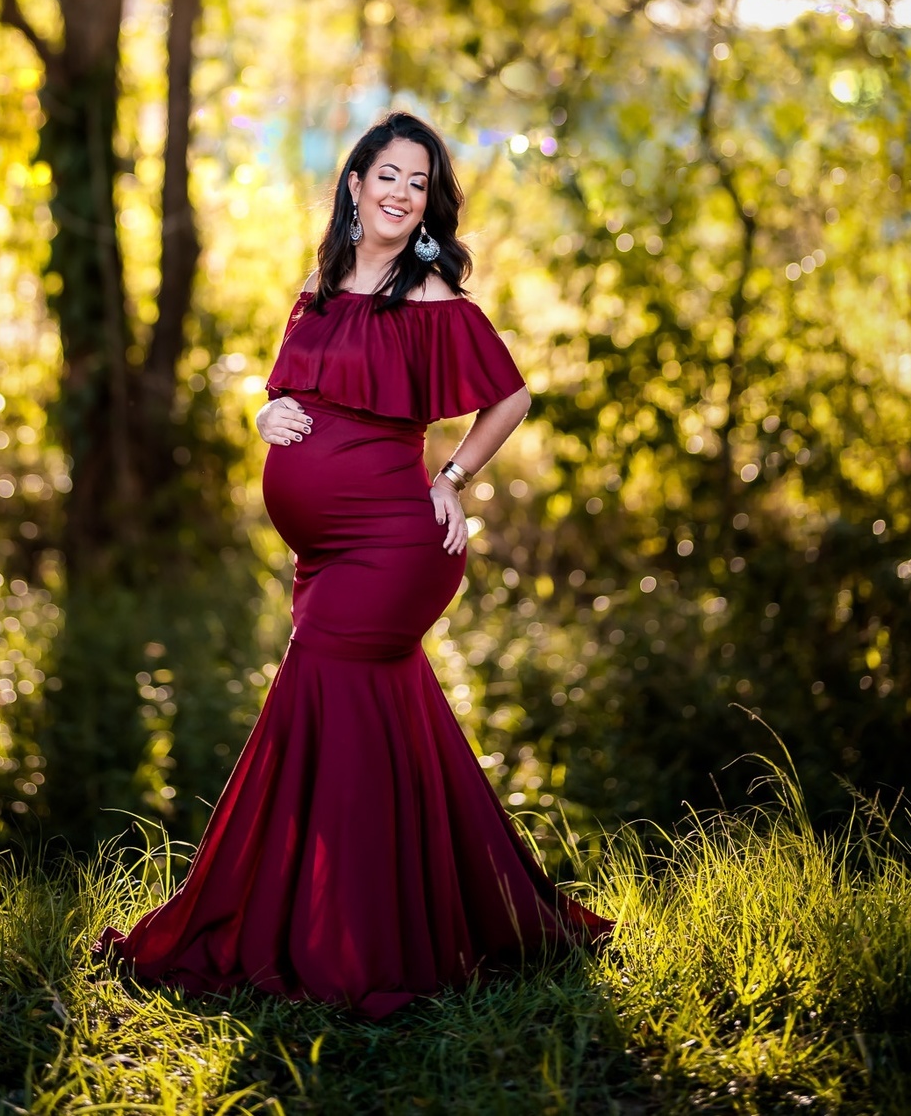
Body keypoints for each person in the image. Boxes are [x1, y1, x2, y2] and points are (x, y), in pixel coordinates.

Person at [95, 111, 612, 1015]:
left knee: (315, 706)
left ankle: (335, 935)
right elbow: (282, 392)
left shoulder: (429, 295)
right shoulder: (322, 281)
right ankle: (459, 912)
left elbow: (511, 397)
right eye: (389, 176)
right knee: (381, 728)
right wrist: (265, 417)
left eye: (419, 182)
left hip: (396, 547)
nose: (402, 194)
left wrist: (453, 477)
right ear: (355, 183)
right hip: (324, 555)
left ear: (428, 203)